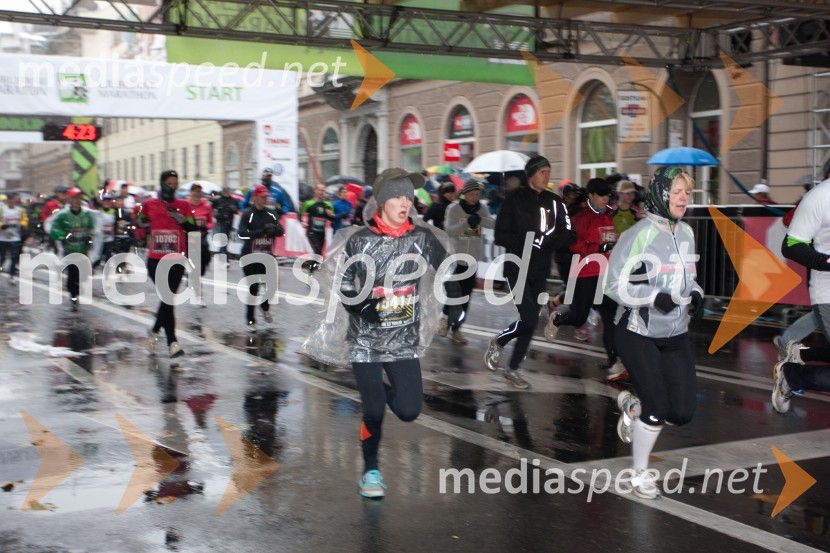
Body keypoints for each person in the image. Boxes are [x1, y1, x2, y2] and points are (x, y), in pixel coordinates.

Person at [330, 168, 455, 498]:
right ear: (382, 202)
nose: (406, 203)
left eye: (409, 197)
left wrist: (447, 263)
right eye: (398, 197)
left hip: (403, 340)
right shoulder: (361, 240)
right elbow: (343, 284)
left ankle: (380, 393)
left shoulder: (421, 237)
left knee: (409, 411)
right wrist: (362, 307)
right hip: (366, 340)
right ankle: (370, 471)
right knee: (372, 411)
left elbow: (450, 267)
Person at [605, 166, 704, 499]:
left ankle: (633, 409)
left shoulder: (687, 233)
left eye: (687, 193)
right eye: (677, 192)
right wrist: (652, 296)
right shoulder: (640, 234)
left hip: (675, 335)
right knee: (658, 406)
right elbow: (612, 284)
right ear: (661, 194)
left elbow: (688, 277)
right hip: (638, 331)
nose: (683, 199)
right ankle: (639, 474)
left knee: (683, 412)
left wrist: (698, 294)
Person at [485, 155, 574, 389]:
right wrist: (528, 240)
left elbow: (569, 234)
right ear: (531, 174)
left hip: (540, 270)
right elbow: (500, 235)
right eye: (543, 171)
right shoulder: (515, 200)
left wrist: (548, 241)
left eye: (549, 171)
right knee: (529, 318)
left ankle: (512, 369)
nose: (547, 176)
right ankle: (500, 341)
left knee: (530, 322)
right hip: (516, 267)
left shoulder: (555, 202)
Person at [546, 177, 626, 381]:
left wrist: (614, 244)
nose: (605, 198)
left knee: (610, 318)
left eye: (607, 195)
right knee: (580, 317)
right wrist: (598, 248)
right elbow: (575, 246)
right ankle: (558, 318)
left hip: (604, 274)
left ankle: (614, 361)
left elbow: (608, 239)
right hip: (585, 273)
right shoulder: (582, 217)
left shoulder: (608, 214)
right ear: (590, 195)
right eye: (601, 195)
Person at [776, 163, 830, 411]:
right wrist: (824, 261)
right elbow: (791, 245)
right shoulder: (819, 197)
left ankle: (803, 355)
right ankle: (792, 375)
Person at [138, 170, 197, 358]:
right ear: (162, 184)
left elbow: (193, 228)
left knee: (168, 299)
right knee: (167, 299)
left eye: (175, 184)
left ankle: (163, 336)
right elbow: (139, 224)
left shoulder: (184, 205)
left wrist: (182, 220)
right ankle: (171, 341)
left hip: (176, 259)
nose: (172, 187)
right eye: (169, 184)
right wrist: (140, 224)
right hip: (155, 259)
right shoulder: (149, 204)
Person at [441, 178, 495, 344]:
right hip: (455, 257)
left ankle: (457, 328)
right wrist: (466, 225)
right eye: (471, 194)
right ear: (464, 194)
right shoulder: (454, 209)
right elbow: (449, 230)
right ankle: (444, 319)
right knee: (453, 293)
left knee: (465, 296)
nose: (474, 197)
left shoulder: (482, 207)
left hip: (472, 259)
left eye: (477, 194)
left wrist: (479, 219)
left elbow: (492, 224)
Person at [238, 185, 284, 332]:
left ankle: (265, 308)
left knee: (271, 284)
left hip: (267, 255)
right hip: (249, 256)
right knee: (254, 287)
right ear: (255, 197)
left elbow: (281, 231)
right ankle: (250, 319)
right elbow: (241, 233)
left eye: (266, 197)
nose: (265, 199)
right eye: (262, 197)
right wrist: (260, 232)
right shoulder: (247, 213)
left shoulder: (271, 213)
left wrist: (273, 229)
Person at [50, 187, 95, 311]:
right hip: (70, 250)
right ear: (70, 199)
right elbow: (54, 230)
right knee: (73, 274)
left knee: (83, 275)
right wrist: (63, 235)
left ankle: (76, 288)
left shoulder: (86, 214)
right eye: (75, 198)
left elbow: (92, 228)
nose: (77, 200)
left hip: (83, 249)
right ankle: (73, 296)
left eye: (79, 198)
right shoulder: (63, 215)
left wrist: (90, 238)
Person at [185, 183, 214, 304]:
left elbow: (211, 222)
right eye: (195, 191)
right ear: (191, 193)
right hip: (190, 238)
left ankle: (191, 277)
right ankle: (197, 294)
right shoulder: (185, 205)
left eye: (199, 192)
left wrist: (205, 228)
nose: (197, 194)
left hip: (202, 238)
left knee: (206, 259)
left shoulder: (206, 206)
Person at [300, 184, 335, 276]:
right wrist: (303, 222)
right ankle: (310, 274)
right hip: (312, 232)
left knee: (319, 255)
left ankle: (313, 271)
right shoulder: (309, 203)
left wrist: (330, 215)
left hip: (322, 233)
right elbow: (299, 214)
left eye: (323, 190)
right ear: (315, 191)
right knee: (318, 252)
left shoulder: (327, 204)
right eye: (320, 190)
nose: (321, 192)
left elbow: (332, 219)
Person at [0, 193, 29, 282]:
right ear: (7, 200)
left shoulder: (20, 210)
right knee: (3, 256)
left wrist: (23, 225)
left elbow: (25, 220)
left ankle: (12, 275)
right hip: (3, 237)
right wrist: (2, 225)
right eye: (10, 199)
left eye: (13, 199)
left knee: (14, 256)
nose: (11, 201)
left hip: (15, 237)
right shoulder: (2, 209)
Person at [213, 186, 240, 258]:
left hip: (229, 222)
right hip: (220, 221)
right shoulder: (218, 200)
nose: (226, 193)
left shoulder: (233, 200)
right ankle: (223, 254)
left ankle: (222, 253)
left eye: (227, 191)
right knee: (223, 237)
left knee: (225, 237)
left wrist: (233, 209)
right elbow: (212, 209)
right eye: (225, 191)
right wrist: (216, 214)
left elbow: (237, 210)